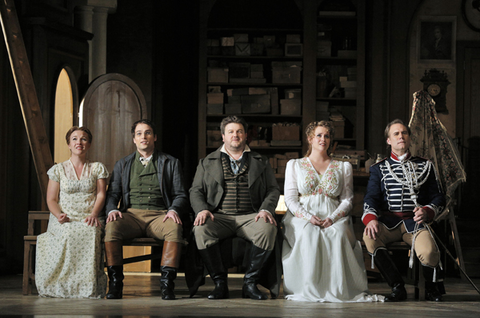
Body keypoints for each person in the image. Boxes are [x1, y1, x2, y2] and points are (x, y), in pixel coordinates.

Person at [281, 121, 382, 303]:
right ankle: (307, 287)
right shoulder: (294, 165)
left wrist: (332, 218)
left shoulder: (343, 167)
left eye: (327, 136)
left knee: (339, 234)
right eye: (319, 135)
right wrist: (308, 217)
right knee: (307, 234)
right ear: (310, 139)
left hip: (333, 214)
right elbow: (290, 199)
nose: (323, 139)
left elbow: (347, 199)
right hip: (302, 214)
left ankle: (339, 288)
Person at [189, 115, 280, 300]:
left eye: (239, 131)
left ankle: (250, 283)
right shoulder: (207, 162)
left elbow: (273, 189)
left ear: (246, 135)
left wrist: (265, 209)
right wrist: (202, 209)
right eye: (230, 132)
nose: (235, 135)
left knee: (268, 228)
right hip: (219, 217)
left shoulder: (260, 161)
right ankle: (220, 283)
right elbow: (195, 190)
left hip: (251, 217)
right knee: (201, 229)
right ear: (223, 136)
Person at [362, 119, 446, 302]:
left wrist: (427, 210)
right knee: (369, 237)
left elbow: (438, 197)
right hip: (388, 222)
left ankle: (431, 288)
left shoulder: (426, 166)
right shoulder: (379, 169)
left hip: (415, 223)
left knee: (430, 251)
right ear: (388, 141)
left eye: (404, 133)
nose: (401, 136)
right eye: (396, 134)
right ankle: (397, 286)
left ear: (409, 138)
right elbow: (371, 198)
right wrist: (372, 219)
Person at [104, 119, 188, 300]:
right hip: (131, 215)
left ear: (155, 137)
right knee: (112, 227)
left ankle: (167, 285)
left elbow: (181, 194)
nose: (144, 137)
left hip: (160, 216)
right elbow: (112, 194)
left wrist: (173, 209)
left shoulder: (170, 162)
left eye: (148, 133)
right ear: (134, 139)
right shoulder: (123, 164)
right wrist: (112, 210)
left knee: (174, 228)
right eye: (139, 133)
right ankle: (115, 284)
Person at [35, 126, 108, 299]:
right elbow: (51, 199)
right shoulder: (58, 170)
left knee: (90, 232)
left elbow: (100, 194)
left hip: (88, 216)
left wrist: (94, 214)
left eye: (83, 139)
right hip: (64, 217)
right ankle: (62, 283)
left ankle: (85, 286)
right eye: (74, 139)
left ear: (89, 144)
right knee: (67, 232)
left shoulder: (97, 168)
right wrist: (58, 214)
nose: (79, 142)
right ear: (68, 144)